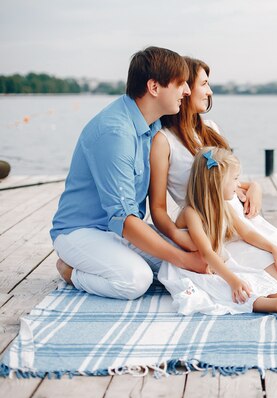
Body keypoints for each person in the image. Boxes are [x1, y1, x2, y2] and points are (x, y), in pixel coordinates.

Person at [149, 56, 277, 300]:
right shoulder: (163, 141)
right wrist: (180, 238)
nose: (209, 91)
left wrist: (253, 186)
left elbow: (226, 178)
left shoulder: (211, 129)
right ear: (184, 88)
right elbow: (157, 208)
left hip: (240, 220)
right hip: (215, 229)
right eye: (204, 83)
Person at [50, 46, 209, 300]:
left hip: (122, 230)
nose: (188, 91)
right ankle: (70, 271)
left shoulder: (153, 123)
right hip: (81, 231)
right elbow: (122, 218)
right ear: (154, 87)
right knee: (136, 280)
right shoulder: (115, 133)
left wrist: (244, 187)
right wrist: (184, 259)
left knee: (194, 270)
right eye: (181, 84)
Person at [158, 147, 277, 319]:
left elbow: (246, 232)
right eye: (235, 179)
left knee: (254, 280)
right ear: (217, 183)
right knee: (232, 291)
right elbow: (206, 252)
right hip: (193, 270)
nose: (239, 184)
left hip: (217, 265)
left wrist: (274, 249)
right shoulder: (191, 213)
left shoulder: (224, 207)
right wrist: (232, 280)